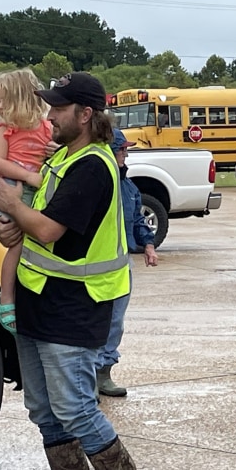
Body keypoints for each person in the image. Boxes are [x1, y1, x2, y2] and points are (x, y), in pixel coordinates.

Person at [0, 72, 136, 469]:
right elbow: (39, 221)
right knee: (46, 413)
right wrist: (12, 228)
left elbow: (51, 230)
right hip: (39, 299)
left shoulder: (90, 166)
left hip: (73, 306)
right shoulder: (63, 157)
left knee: (76, 411)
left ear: (85, 114)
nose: (49, 115)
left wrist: (13, 206)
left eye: (58, 108)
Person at [0, 68, 53, 334]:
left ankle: (19, 295)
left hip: (33, 192)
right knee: (16, 245)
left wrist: (54, 151)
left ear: (20, 99)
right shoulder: (6, 130)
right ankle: (7, 297)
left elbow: (55, 160)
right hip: (13, 189)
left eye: (1, 100)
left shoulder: (47, 128)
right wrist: (28, 176)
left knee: (30, 242)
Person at [96, 129, 158, 397]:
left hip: (121, 267)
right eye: (122, 150)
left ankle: (104, 374)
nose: (126, 155)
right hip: (95, 267)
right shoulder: (97, 185)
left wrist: (148, 244)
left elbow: (137, 219)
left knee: (115, 322)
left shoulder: (129, 187)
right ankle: (87, 378)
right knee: (95, 322)